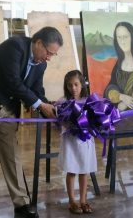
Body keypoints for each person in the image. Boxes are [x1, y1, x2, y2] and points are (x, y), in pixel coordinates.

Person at [0, 26, 63, 218]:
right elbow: (13, 82)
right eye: (49, 53)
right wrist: (40, 105)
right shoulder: (15, 46)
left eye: (53, 55)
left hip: (6, 107)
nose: (49, 58)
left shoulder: (41, 64)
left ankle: (21, 204)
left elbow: (36, 91)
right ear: (38, 43)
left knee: (12, 155)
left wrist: (48, 105)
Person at [58, 70, 96, 214]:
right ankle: (72, 201)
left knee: (84, 170)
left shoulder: (89, 101)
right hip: (70, 141)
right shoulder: (63, 102)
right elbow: (60, 121)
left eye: (76, 84)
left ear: (82, 85)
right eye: (69, 85)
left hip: (85, 141)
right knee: (72, 170)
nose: (73, 88)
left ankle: (83, 200)